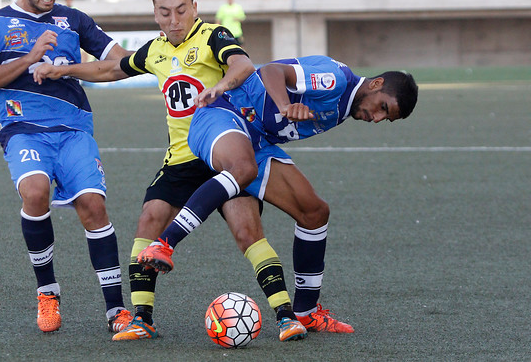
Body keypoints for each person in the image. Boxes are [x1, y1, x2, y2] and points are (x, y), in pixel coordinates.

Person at [33, 0, 308, 343]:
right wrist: (63, 70)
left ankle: (286, 317)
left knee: (247, 231)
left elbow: (243, 65)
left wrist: (221, 86)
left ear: (194, 8)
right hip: (180, 159)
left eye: (181, 10)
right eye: (165, 12)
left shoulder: (212, 35)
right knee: (148, 220)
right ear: (156, 14)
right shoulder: (155, 50)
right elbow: (110, 69)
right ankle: (142, 319)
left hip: (223, 152)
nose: (174, 19)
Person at [138, 56, 418, 332]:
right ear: (376, 83)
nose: (377, 118)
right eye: (382, 107)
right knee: (243, 168)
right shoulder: (336, 80)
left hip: (256, 140)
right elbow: (273, 71)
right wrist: (285, 105)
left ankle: (307, 312)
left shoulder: (346, 107)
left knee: (315, 212)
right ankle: (164, 243)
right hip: (222, 114)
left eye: (386, 118)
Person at [0, 0, 133, 334]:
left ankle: (116, 311)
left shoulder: (74, 20)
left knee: (93, 205)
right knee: (36, 191)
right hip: (22, 128)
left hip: (74, 127)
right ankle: (47, 292)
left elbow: (121, 61)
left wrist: (70, 68)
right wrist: (29, 58)